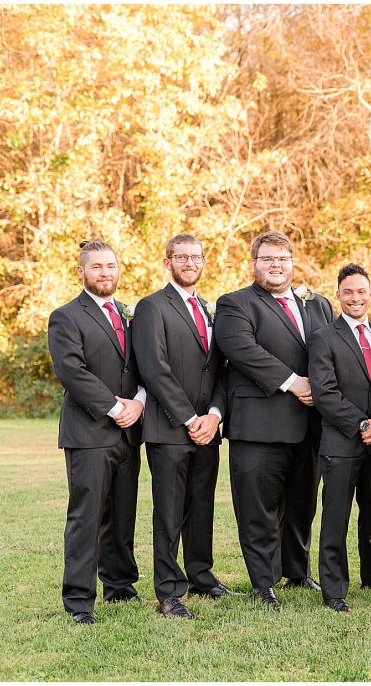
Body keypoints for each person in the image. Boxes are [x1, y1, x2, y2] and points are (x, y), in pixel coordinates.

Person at [214, 231, 333, 607]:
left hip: (310, 425)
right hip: (259, 424)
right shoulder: (235, 304)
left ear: (292, 262)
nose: (276, 265)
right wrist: (294, 382)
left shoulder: (318, 305)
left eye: (282, 258)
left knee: (302, 505)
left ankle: (297, 572)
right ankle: (263, 582)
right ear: (254, 264)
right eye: (267, 259)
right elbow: (242, 350)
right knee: (258, 508)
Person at [134, 234, 233, 619]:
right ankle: (169, 592)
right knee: (170, 512)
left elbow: (220, 370)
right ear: (167, 262)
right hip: (169, 428)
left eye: (196, 257)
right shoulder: (151, 307)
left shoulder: (210, 310)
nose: (190, 263)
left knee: (202, 506)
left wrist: (213, 415)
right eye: (182, 257)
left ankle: (201, 575)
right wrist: (190, 419)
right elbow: (154, 369)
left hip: (207, 427)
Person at [48, 240, 146, 625]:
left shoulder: (127, 315)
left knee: (123, 515)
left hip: (127, 432)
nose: (105, 273)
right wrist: (116, 406)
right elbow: (72, 371)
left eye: (111, 266)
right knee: (87, 517)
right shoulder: (66, 316)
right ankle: (78, 600)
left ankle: (120, 585)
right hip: (89, 432)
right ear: (81, 272)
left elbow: (140, 368)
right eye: (97, 267)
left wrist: (138, 401)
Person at [308, 263, 371, 613]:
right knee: (336, 515)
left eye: (361, 291)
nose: (355, 298)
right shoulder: (324, 338)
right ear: (339, 295)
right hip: (342, 442)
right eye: (349, 292)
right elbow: (325, 393)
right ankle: (333, 589)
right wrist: (362, 425)